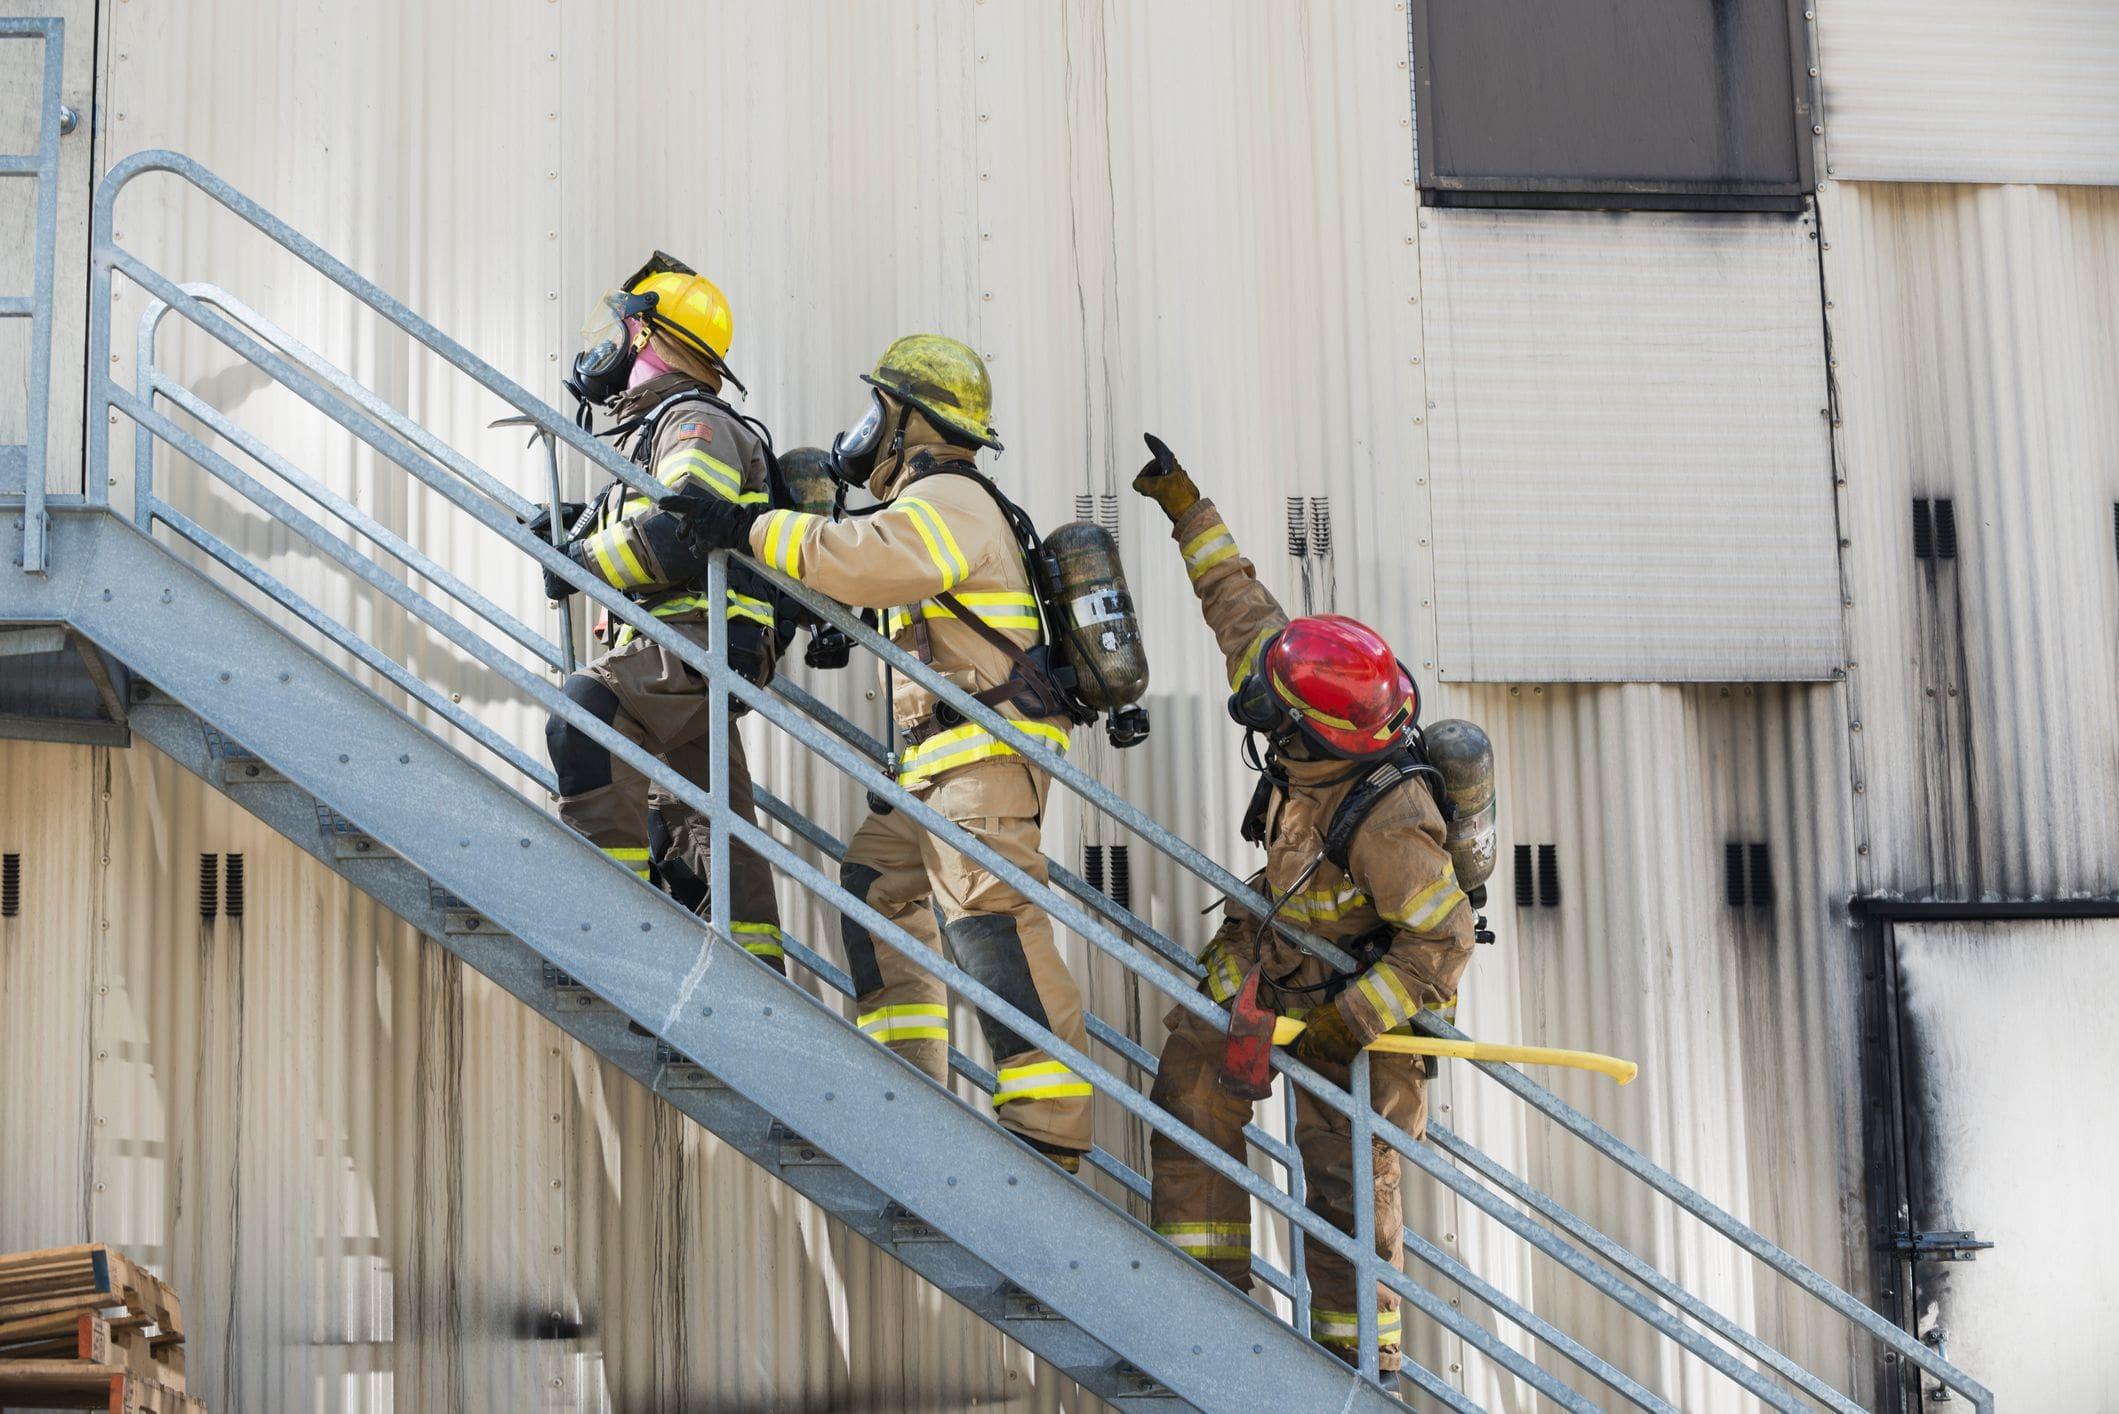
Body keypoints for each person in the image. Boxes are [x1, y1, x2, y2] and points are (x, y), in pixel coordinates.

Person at [674, 334, 1093, 1171]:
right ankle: (909, 1081)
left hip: (982, 759)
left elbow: (867, 562)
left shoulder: (950, 497)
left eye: (878, 411)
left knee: (992, 922)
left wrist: (749, 527)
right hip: (941, 765)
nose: (865, 431)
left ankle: (1050, 1123)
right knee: (877, 885)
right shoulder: (939, 504)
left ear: (909, 422)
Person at [1131, 437, 1476, 1373]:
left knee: (1343, 1185)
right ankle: (1202, 1302)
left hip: (1364, 1011)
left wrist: (1344, 1024)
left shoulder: (1387, 816)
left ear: (1304, 726)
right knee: (1194, 1083)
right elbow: (1238, 604)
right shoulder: (1307, 697)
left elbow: (1443, 940)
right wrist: (1183, 505)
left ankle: (1357, 1365)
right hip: (1276, 972)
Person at [537, 253, 786, 970]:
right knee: (691, 828)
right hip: (692, 642)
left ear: (643, 338)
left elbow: (678, 533)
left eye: (614, 331)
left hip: (695, 636)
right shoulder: (664, 429)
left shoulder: (693, 423)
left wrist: (578, 562)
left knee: (585, 716)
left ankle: (610, 935)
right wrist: (580, 527)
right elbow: (659, 521)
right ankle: (747, 973)